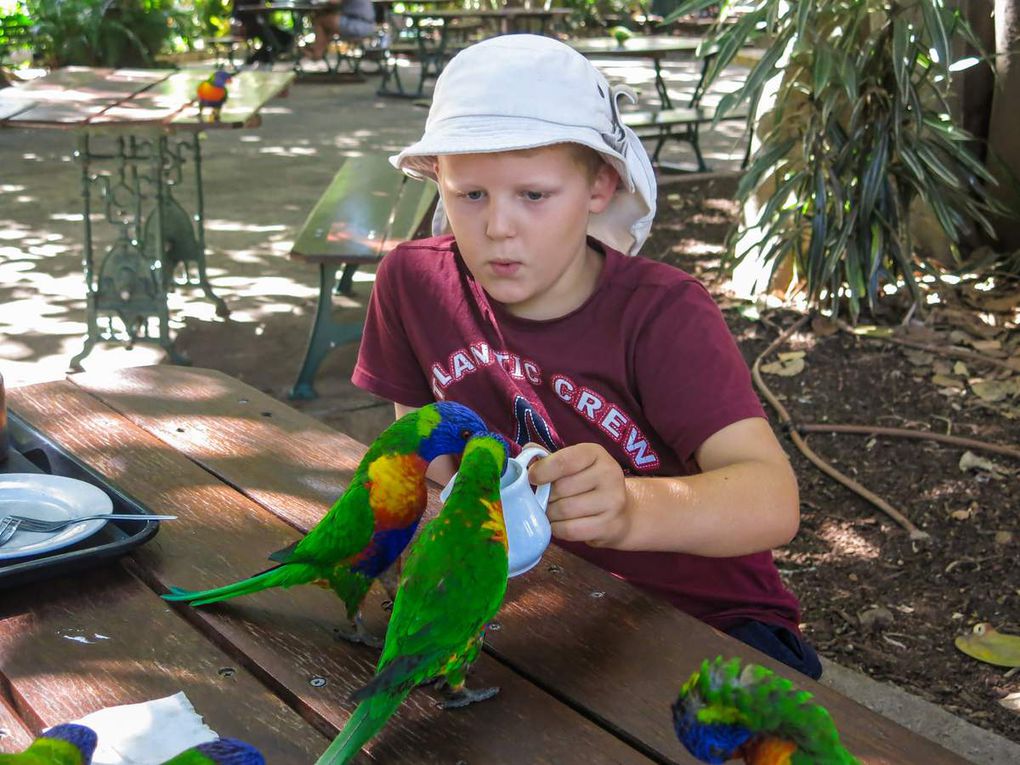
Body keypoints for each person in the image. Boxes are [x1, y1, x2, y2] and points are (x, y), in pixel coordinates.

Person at [351, 34, 822, 679]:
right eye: (471, 194)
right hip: (528, 605)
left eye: (535, 195)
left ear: (599, 186)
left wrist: (630, 509)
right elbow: (426, 457)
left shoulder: (662, 314)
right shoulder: (412, 283)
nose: (498, 228)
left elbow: (772, 502)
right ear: (439, 182)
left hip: (706, 623)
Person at [303, 0, 377, 61]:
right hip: (367, 24)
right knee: (326, 21)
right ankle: (319, 50)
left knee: (320, 21)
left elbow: (334, 1)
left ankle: (317, 53)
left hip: (359, 24)